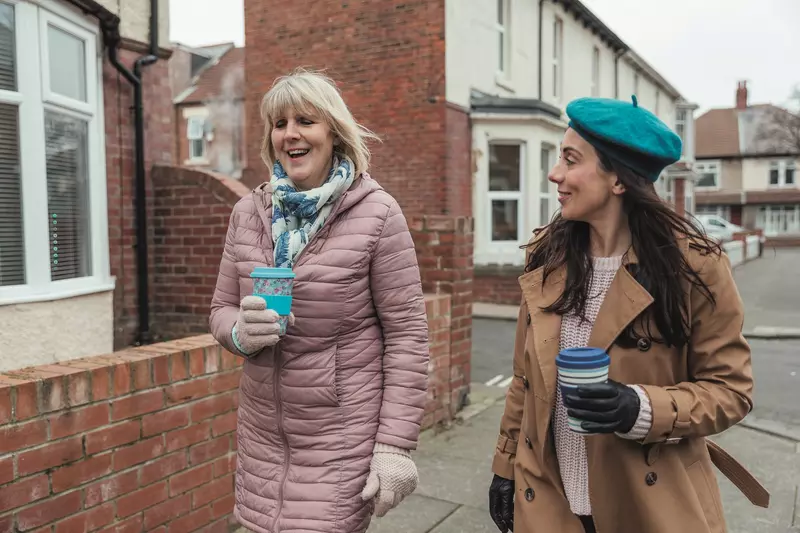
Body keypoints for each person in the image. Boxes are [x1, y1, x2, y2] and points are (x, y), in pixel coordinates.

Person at [487, 95, 769, 533]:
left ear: (618, 179)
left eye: (570, 159)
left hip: (650, 504)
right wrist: (504, 467)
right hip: (550, 501)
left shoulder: (693, 267)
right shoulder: (546, 256)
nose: (554, 173)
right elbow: (525, 379)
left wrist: (640, 408)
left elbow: (731, 389)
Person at [209, 68, 429, 533]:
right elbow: (220, 310)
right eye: (279, 123)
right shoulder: (248, 213)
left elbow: (407, 337)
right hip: (262, 436)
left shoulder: (377, 213)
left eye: (305, 121)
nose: (291, 134)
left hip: (340, 437)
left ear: (333, 131)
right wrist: (239, 333)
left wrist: (394, 446)